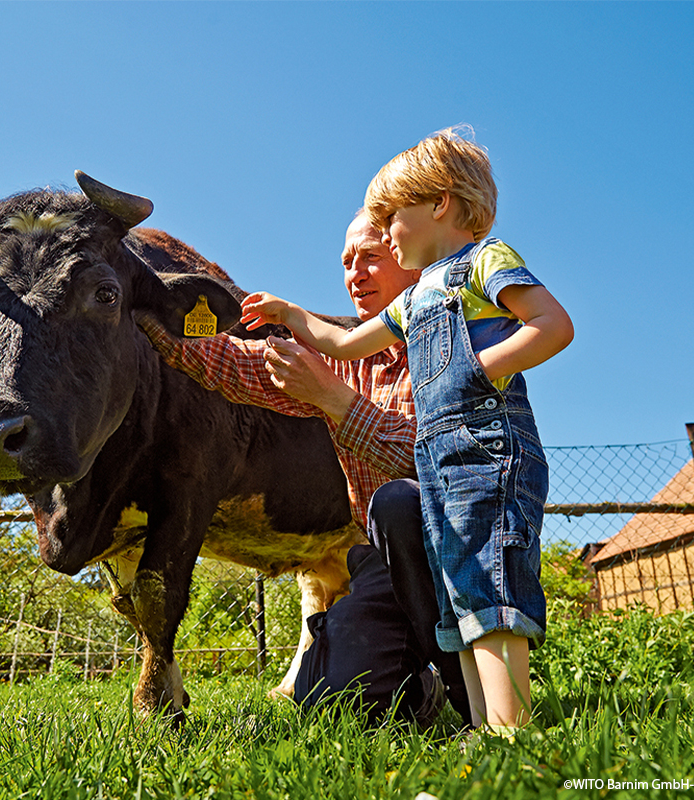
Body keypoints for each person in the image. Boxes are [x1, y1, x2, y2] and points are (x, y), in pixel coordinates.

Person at [240, 127, 574, 733]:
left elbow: (552, 325)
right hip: (440, 465)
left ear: (441, 203)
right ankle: (478, 722)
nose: (388, 234)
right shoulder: (416, 298)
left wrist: (470, 371)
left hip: (487, 453)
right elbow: (344, 341)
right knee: (455, 598)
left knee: (486, 588)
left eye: (392, 217)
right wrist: (289, 314)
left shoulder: (486, 262)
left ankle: (511, 729)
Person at [135, 213, 470, 724]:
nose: (355, 273)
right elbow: (233, 364)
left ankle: (473, 693)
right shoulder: (347, 356)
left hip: (464, 549)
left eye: (371, 258)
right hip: (385, 560)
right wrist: (145, 308)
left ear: (407, 258)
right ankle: (418, 681)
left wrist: (335, 401)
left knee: (400, 503)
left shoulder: (456, 340)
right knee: (329, 697)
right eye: (346, 262)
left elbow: (439, 463)